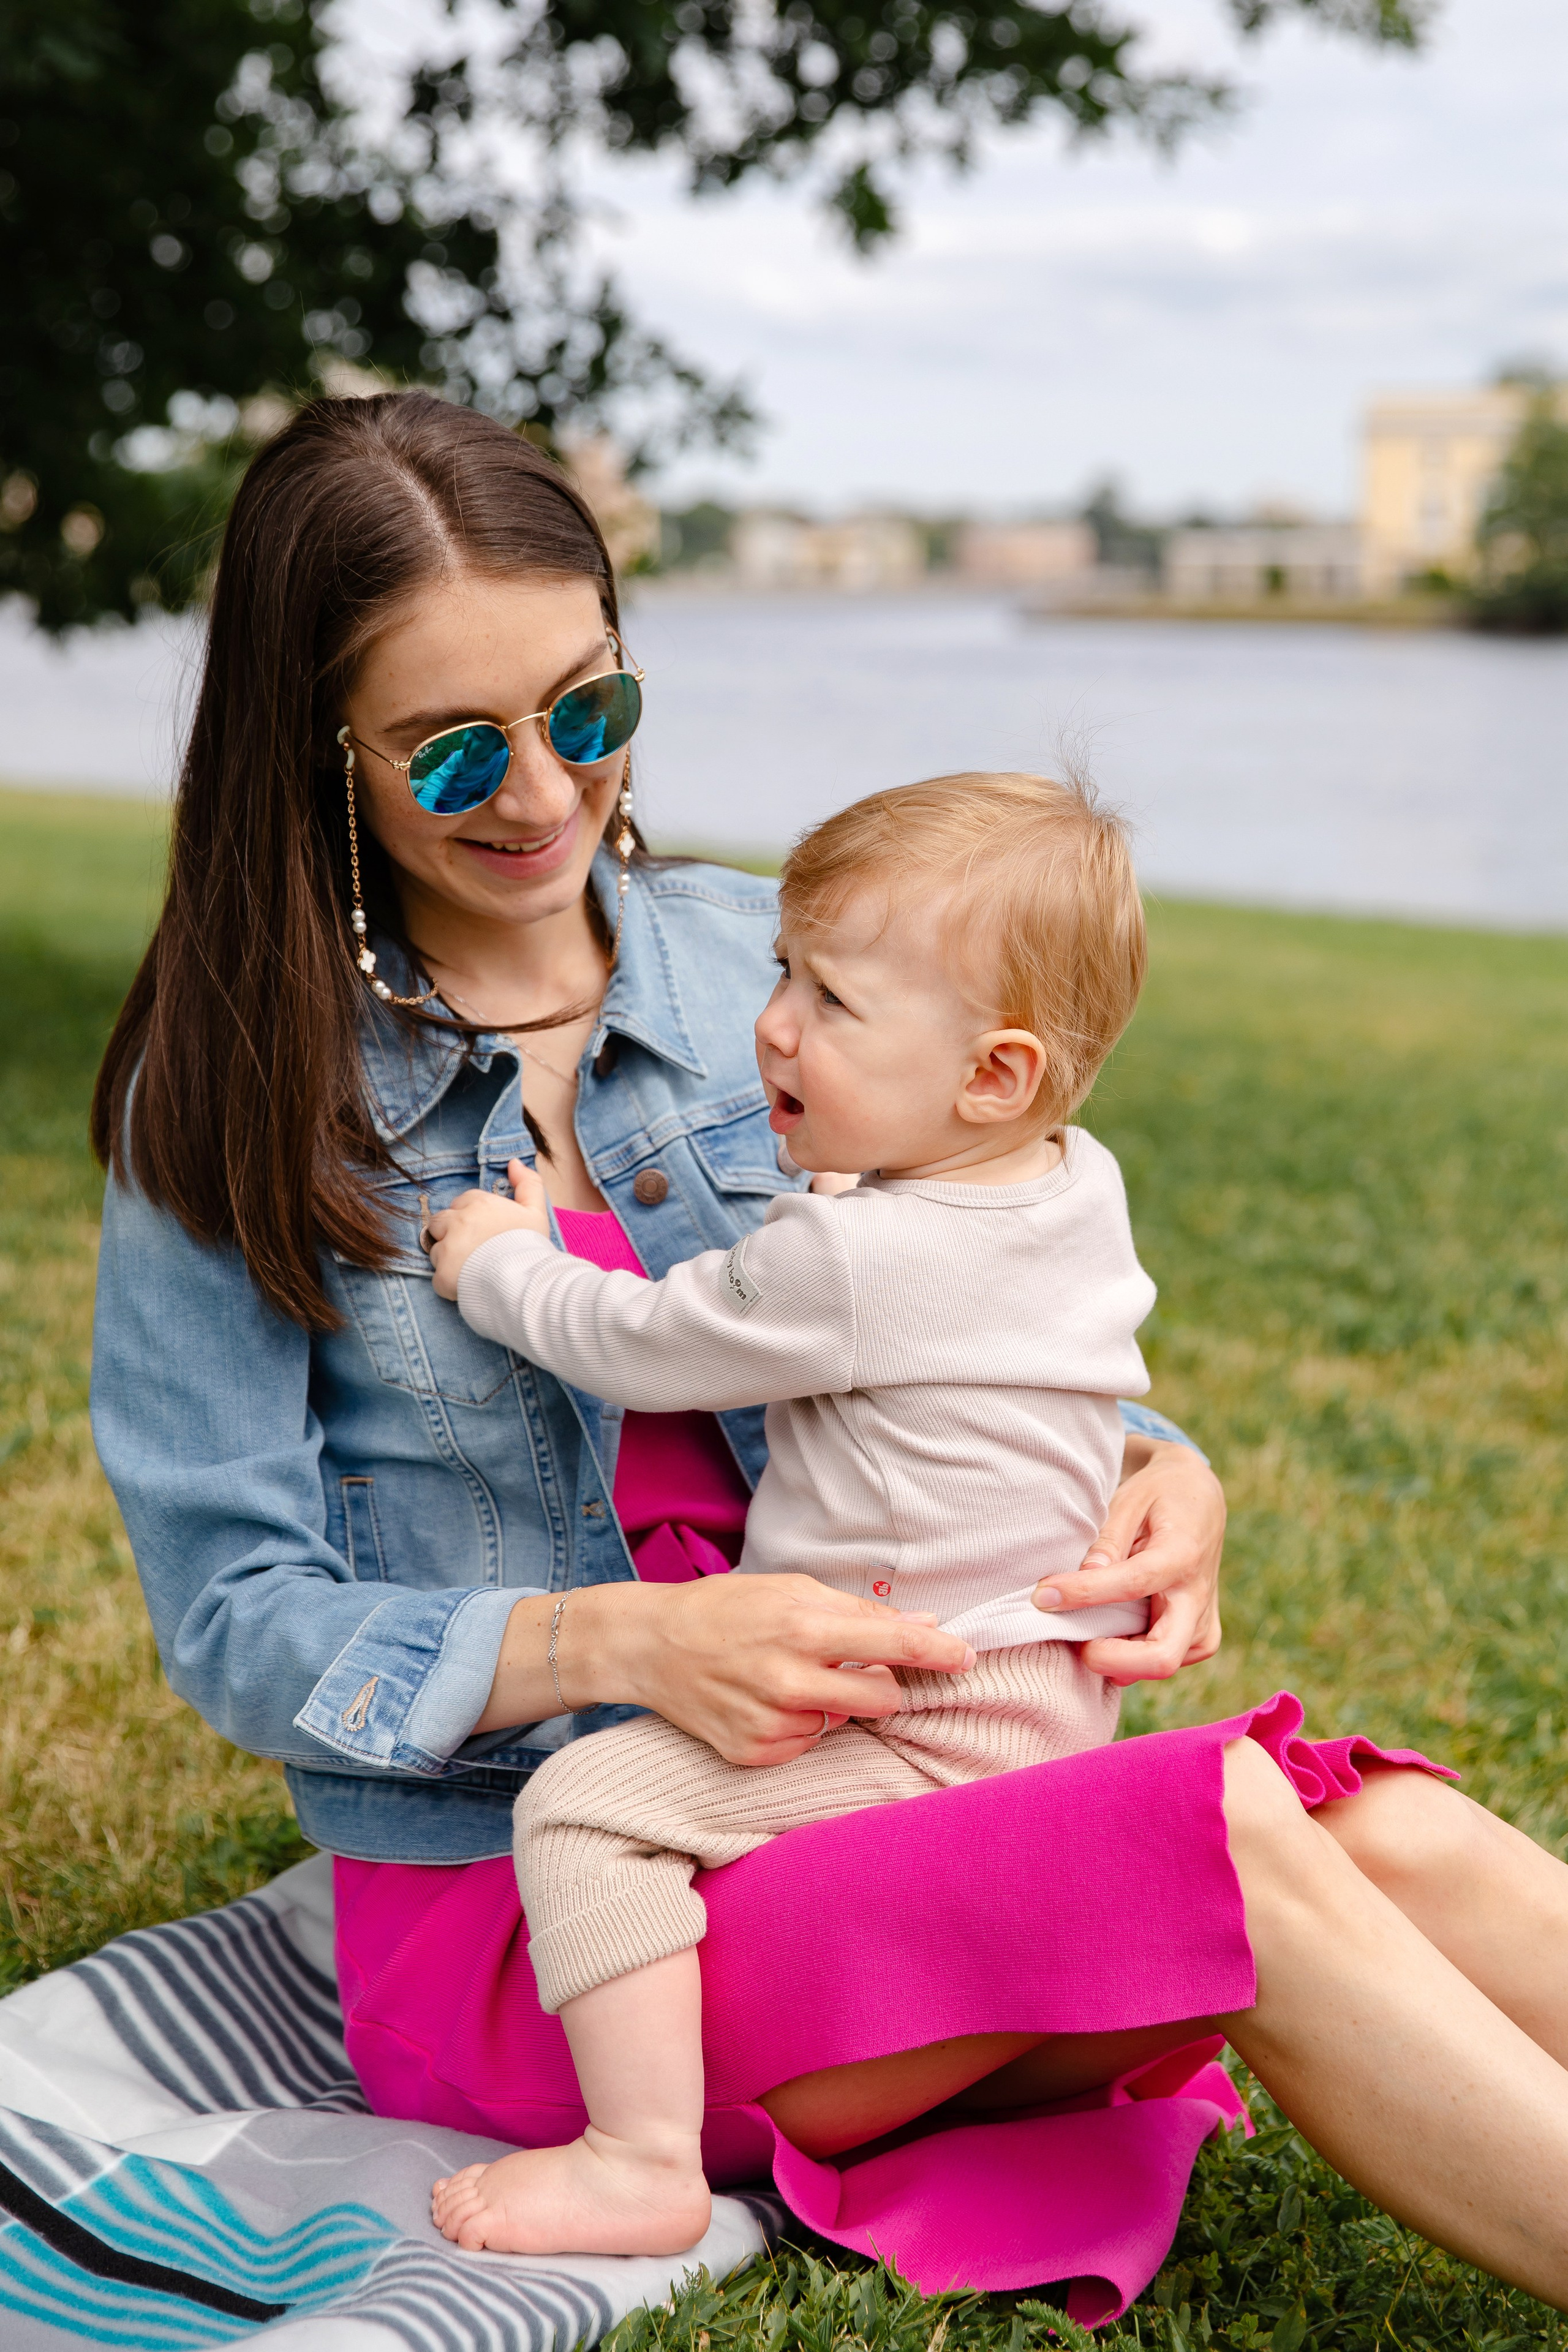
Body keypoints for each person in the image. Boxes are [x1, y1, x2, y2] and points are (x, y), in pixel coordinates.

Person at [88, 389, 1568, 2321]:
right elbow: (233, 1621)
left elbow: (957, 1307)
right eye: (456, 750)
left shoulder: (760, 964)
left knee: (1387, 1829)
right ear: (319, 752)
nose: (544, 795)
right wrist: (621, 1646)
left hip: (875, 1782)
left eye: (589, 711)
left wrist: (1159, 1463)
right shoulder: (229, 1101)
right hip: (564, 1918)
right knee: (1226, 1841)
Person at [422, 770, 1161, 2255]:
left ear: (992, 1077)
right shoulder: (1071, 1183)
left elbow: (639, 1340)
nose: (771, 1024)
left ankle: (638, 2157)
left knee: (586, 1809)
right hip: (1044, 1699)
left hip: (919, 1724)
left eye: (830, 999)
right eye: (780, 970)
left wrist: (497, 1260)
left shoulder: (850, 1260)